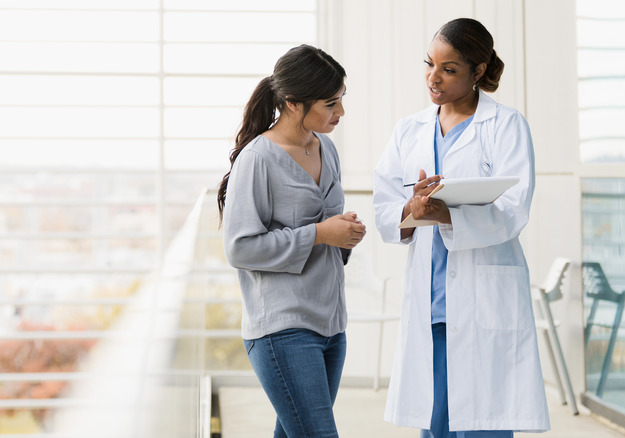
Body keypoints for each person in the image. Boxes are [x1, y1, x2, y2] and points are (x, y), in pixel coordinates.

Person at [373, 18, 550, 437]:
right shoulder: (409, 130)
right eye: (429, 65)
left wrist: (445, 214)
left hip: (482, 298)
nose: (433, 78)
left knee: (483, 424)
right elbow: (384, 207)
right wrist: (413, 209)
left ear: (479, 71)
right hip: (431, 304)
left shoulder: (505, 126)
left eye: (449, 69)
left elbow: (513, 209)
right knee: (435, 425)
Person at [218, 44, 366, 438]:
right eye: (331, 103)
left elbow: (329, 224)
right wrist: (319, 233)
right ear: (292, 103)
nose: (341, 113)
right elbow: (239, 247)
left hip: (332, 323)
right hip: (282, 327)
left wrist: (344, 233)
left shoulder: (325, 148)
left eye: (342, 100)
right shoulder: (258, 159)